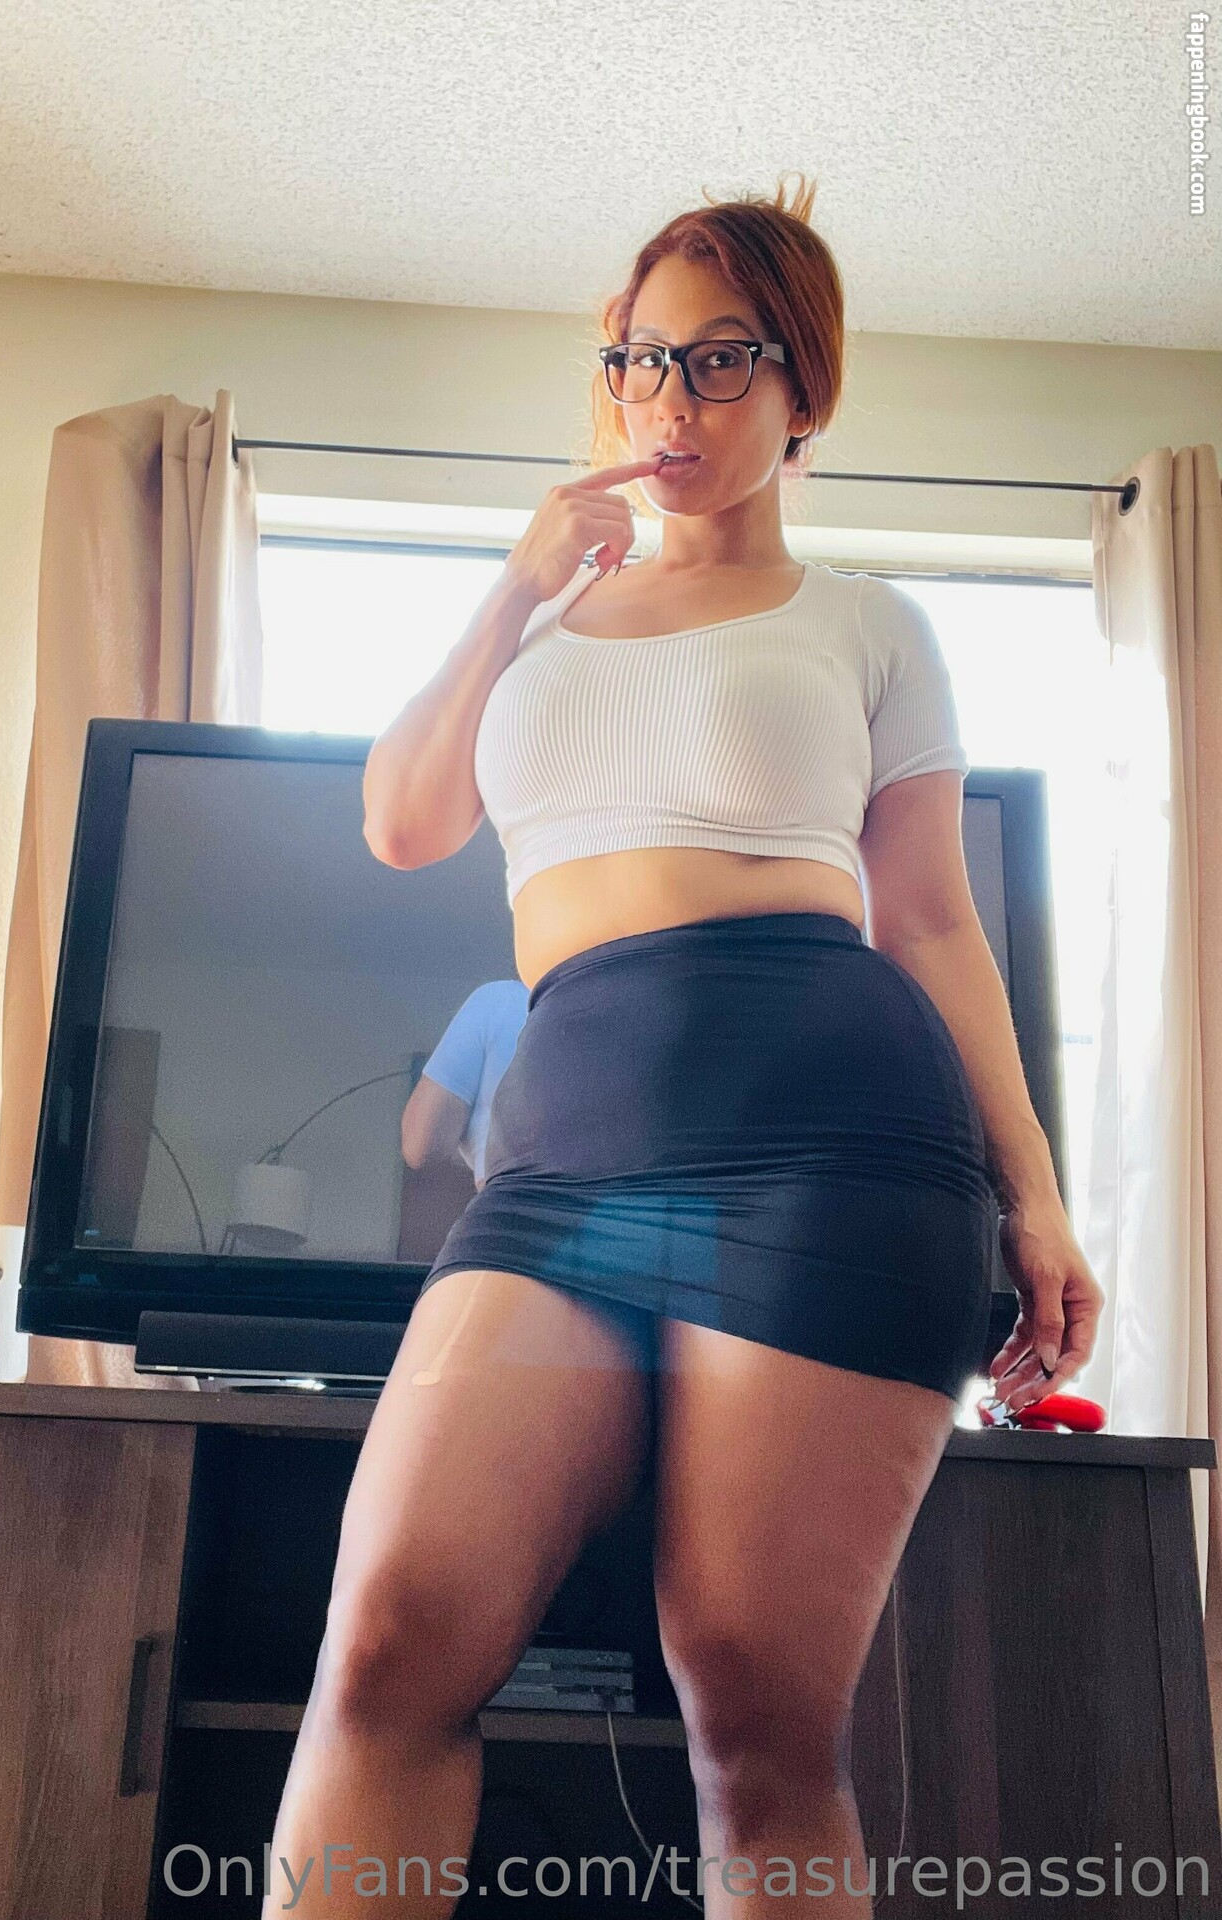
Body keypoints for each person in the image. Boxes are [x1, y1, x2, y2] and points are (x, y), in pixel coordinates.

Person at [261, 177, 1104, 1917]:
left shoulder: (868, 624)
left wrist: (1038, 1197)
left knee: (754, 1720)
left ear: (805, 392)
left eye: (724, 359)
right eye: (643, 359)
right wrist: (515, 584)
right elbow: (404, 822)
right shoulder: (541, 621)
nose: (673, 399)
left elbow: (933, 922)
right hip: (563, 1155)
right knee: (389, 1638)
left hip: (832, 1139)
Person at [401, 979, 531, 1190]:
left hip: (514, 1202)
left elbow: (420, 1145)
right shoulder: (593, 1020)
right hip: (590, 1205)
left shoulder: (500, 1000)